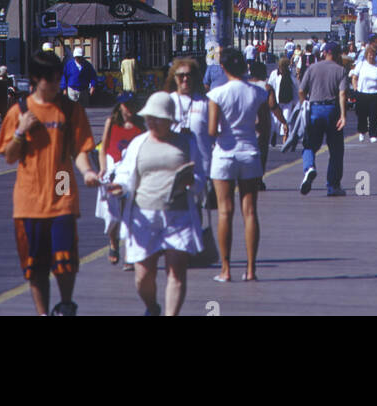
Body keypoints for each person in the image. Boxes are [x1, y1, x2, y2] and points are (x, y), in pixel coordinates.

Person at [0, 50, 100, 317]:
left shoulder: (70, 109)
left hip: (61, 184)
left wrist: (88, 172)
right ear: (35, 80)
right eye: (50, 80)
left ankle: (66, 305)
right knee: (36, 265)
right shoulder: (19, 112)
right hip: (29, 197)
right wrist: (20, 132)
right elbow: (9, 156)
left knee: (65, 260)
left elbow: (80, 150)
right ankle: (42, 312)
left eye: (58, 79)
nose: (55, 85)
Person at [108, 92, 204, 315]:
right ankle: (152, 307)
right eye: (148, 117)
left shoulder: (187, 143)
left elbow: (201, 178)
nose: (151, 122)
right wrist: (119, 186)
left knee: (176, 272)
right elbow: (125, 173)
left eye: (157, 118)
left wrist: (192, 181)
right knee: (143, 275)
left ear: (170, 120)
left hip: (178, 216)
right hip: (144, 216)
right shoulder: (138, 143)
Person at [207, 47, 272, 280]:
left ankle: (226, 270)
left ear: (223, 67)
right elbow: (264, 128)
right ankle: (251, 269)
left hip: (224, 154)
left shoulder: (217, 94)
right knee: (250, 212)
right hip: (250, 152)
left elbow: (212, 130)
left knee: (225, 211)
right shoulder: (258, 92)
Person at [97, 99, 146, 264]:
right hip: (112, 171)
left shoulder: (141, 125)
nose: (130, 108)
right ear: (120, 106)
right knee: (111, 213)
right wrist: (103, 168)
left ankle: (128, 252)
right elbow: (102, 149)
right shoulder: (111, 123)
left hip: (131, 173)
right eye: (127, 104)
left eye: (133, 104)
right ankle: (113, 241)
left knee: (130, 212)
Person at [298, 40, 348, 196]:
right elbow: (342, 93)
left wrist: (304, 104)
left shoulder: (312, 68)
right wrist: (343, 115)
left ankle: (309, 167)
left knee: (309, 144)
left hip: (314, 109)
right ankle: (333, 186)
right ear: (337, 54)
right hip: (332, 110)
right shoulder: (341, 70)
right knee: (336, 150)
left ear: (325, 53)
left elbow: (301, 91)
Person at [352, 37, 377, 142]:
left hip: (375, 93)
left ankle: (373, 134)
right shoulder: (361, 64)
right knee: (362, 114)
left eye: (373, 54)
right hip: (362, 93)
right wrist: (355, 88)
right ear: (366, 55)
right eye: (369, 54)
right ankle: (362, 131)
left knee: (374, 115)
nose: (371, 56)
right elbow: (354, 77)